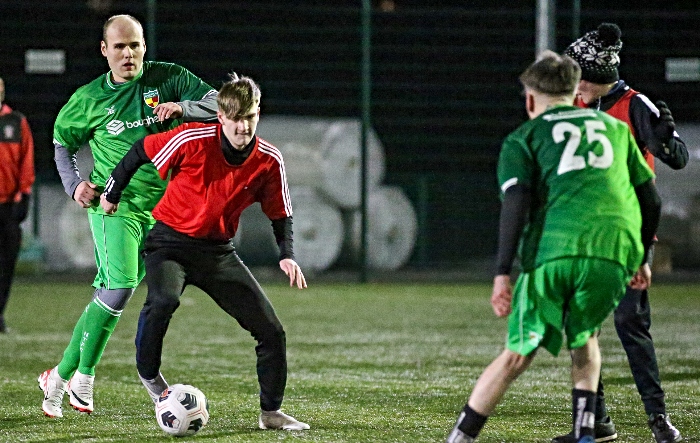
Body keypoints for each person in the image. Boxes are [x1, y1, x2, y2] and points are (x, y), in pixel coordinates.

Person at [445, 50, 662, 443]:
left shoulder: (524, 137)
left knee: (517, 352)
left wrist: (501, 272)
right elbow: (652, 199)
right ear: (575, 92)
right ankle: (585, 434)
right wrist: (642, 257)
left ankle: (460, 438)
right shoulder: (613, 131)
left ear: (531, 99)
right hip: (615, 251)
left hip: (555, 250)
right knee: (586, 338)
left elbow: (516, 204)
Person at [99, 73, 310, 431]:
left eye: (251, 117)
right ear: (221, 118)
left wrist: (286, 254)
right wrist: (111, 193)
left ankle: (271, 413)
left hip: (217, 253)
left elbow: (281, 214)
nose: (244, 127)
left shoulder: (269, 160)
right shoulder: (192, 138)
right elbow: (140, 151)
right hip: (169, 244)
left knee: (272, 332)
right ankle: (150, 375)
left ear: (259, 113)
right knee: (163, 300)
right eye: (236, 119)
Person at [38, 14, 219, 418]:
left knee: (112, 294)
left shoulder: (167, 78)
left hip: (163, 212)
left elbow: (217, 103)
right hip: (112, 206)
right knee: (119, 288)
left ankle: (81, 375)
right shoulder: (89, 98)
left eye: (135, 45)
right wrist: (73, 185)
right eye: (119, 47)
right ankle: (63, 374)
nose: (129, 54)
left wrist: (184, 107)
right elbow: (60, 142)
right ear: (105, 50)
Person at [550, 23, 686, 443]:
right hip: (581, 238)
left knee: (630, 322)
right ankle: (595, 421)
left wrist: (666, 143)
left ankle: (658, 419)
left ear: (593, 77)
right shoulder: (574, 105)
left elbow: (677, 158)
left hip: (625, 236)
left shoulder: (634, 105)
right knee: (581, 328)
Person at [0, 76, 35, 333]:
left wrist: (24, 194)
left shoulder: (16, 122)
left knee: (6, 265)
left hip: (8, 207)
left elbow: (27, 160)